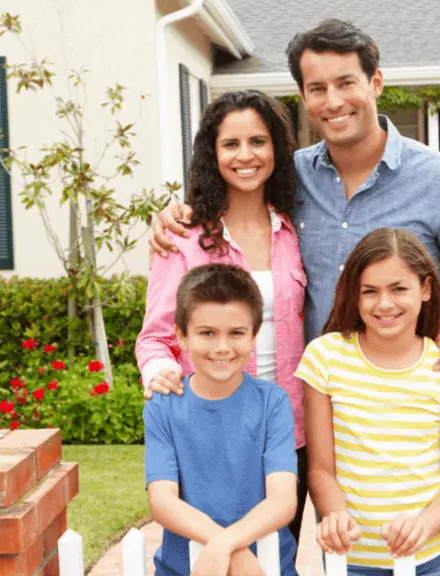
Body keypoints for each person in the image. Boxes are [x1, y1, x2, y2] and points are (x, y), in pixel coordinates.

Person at [149, 18, 440, 395]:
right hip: (317, 402)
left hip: (411, 399)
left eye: (346, 83)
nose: (333, 101)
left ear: (376, 83)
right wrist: (177, 216)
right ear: (304, 98)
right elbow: (234, 201)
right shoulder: (288, 177)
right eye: (317, 88)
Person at [135, 90, 311, 542]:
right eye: (231, 144)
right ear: (212, 155)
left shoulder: (295, 229)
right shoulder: (183, 237)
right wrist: (161, 375)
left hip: (290, 430)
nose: (245, 155)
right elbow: (156, 338)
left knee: (275, 558)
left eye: (258, 141)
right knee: (217, 556)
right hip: (213, 434)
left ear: (276, 148)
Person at [297, 228, 440, 576]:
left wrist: (422, 526)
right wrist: (336, 516)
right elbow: (320, 469)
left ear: (425, 289)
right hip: (351, 561)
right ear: (355, 295)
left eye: (398, 289)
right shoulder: (325, 358)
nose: (384, 304)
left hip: (433, 560)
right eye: (370, 291)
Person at [144, 263, 299, 576]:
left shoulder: (273, 402)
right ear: (182, 336)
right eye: (207, 333)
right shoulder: (163, 405)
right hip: (184, 568)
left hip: (264, 567)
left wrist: (226, 544)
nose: (222, 347)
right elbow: (162, 501)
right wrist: (224, 544)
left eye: (236, 333)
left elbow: (283, 500)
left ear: (255, 335)